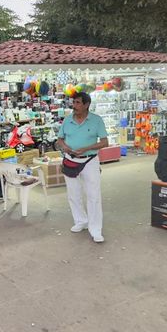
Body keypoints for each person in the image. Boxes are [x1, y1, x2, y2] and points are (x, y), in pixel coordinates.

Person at [55, 92, 109, 243]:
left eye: (78, 103)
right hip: (70, 160)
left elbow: (105, 142)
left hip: (90, 160)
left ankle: (95, 229)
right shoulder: (67, 120)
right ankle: (80, 221)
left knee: (93, 195)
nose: (74, 106)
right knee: (74, 194)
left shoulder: (96, 120)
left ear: (86, 104)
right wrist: (65, 147)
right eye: (74, 102)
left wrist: (86, 148)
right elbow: (60, 139)